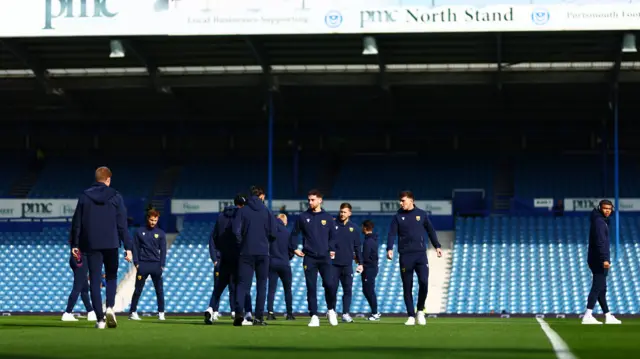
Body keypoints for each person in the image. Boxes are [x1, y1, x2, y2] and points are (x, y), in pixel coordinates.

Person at [70, 166, 133, 329]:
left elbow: (77, 223)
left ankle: (100, 320)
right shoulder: (116, 197)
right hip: (111, 243)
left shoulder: (84, 196)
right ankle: (110, 307)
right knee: (111, 277)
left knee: (95, 280)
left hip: (90, 244)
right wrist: (128, 247)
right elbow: (122, 225)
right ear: (108, 179)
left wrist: (75, 244)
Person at [387, 190, 442, 326]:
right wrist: (389, 248)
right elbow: (391, 234)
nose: (401, 203)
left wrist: (437, 246)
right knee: (407, 286)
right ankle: (411, 315)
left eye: (403, 200)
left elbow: (430, 230)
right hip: (405, 255)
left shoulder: (421, 214)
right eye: (400, 201)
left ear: (411, 200)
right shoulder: (397, 216)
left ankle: (420, 311)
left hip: (420, 254)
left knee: (424, 282)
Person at [290, 189, 339, 327]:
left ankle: (331, 310)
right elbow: (294, 233)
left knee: (330, 285)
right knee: (311, 287)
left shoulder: (328, 218)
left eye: (312, 199)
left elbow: (333, 237)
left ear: (320, 200)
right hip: (309, 257)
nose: (310, 202)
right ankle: (314, 316)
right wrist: (294, 248)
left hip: (325, 258)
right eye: (309, 200)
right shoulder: (302, 217)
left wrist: (331, 249)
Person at [204, 194, 253, 325]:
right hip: (237, 256)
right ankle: (240, 314)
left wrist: (216, 256)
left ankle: (210, 308)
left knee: (219, 287)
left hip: (223, 256)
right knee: (240, 286)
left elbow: (213, 237)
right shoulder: (240, 216)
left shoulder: (221, 217)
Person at [232, 185, 277, 326]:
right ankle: (258, 317)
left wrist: (242, 243)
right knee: (261, 285)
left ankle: (239, 313)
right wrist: (265, 242)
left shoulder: (243, 211)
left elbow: (235, 230)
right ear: (262, 196)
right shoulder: (267, 211)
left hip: (246, 252)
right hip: (263, 252)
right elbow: (274, 233)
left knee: (242, 284)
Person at [582, 199, 622, 325]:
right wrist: (605, 258)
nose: (607, 211)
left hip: (595, 258)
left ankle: (607, 315)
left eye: (609, 209)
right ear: (600, 208)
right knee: (597, 286)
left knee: (602, 288)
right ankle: (587, 315)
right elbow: (601, 242)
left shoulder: (600, 221)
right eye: (605, 208)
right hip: (599, 259)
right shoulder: (599, 222)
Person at [129, 206, 167, 321]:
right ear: (147, 218)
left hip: (156, 265)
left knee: (159, 290)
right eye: (151, 220)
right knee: (138, 289)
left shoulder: (160, 233)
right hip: (143, 264)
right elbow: (135, 247)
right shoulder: (140, 231)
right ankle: (133, 312)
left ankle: (161, 313)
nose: (153, 222)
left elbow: (163, 250)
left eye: (155, 220)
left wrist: (162, 265)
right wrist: (136, 262)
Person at [330, 203, 362, 323]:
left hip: (347, 264)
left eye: (345, 212)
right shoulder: (333, 225)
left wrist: (360, 263)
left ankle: (345, 313)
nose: (342, 214)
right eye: (341, 212)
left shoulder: (354, 228)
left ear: (350, 213)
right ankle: (332, 311)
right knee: (332, 289)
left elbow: (358, 246)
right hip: (334, 264)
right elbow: (328, 241)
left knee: (347, 290)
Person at [267, 214, 295, 321]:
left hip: (272, 263)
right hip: (284, 263)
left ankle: (270, 312)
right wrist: (288, 257)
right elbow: (291, 249)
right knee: (287, 289)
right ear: (285, 221)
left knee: (271, 289)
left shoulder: (270, 233)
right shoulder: (287, 233)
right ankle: (289, 314)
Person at [61, 238, 97, 322]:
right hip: (80, 258)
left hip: (78, 257)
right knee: (77, 287)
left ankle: (91, 312)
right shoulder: (81, 234)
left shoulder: (76, 233)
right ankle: (67, 312)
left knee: (84, 288)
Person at [361, 220, 380, 321]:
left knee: (369, 290)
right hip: (371, 267)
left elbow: (366, 256)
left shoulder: (368, 241)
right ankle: (375, 311)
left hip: (369, 268)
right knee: (366, 290)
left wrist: (359, 259)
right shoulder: (372, 239)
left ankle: (375, 313)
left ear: (364, 227)